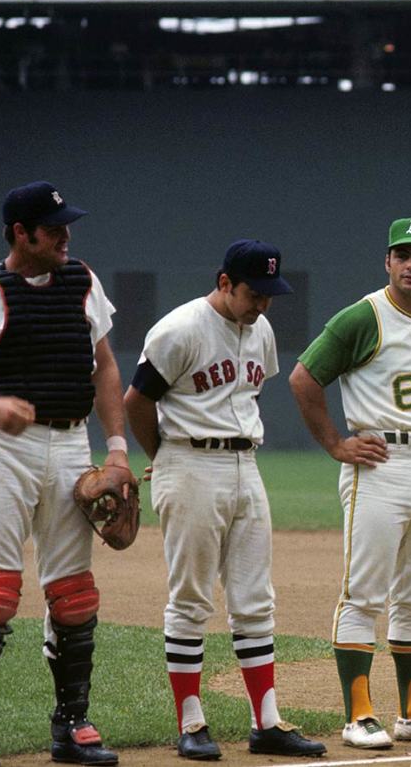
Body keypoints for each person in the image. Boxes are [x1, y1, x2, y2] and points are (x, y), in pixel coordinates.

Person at [124, 240, 326, 760]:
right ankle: (191, 723)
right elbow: (136, 400)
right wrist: (165, 458)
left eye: (269, 294)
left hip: (245, 466)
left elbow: (246, 396)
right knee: (191, 600)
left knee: (256, 600)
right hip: (189, 464)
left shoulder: (261, 329)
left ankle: (267, 722)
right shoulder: (181, 329)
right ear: (223, 283)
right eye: (252, 292)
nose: (261, 304)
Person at [289, 218, 411, 750]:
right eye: (401, 255)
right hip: (380, 461)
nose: (410, 264)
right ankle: (358, 715)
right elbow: (303, 377)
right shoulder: (362, 317)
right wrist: (336, 445)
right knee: (363, 593)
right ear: (387, 262)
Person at [0, 182, 139, 767]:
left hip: (72, 441)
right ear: (21, 234)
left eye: (65, 226)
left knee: (73, 592)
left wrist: (119, 448)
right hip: (3, 446)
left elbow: (104, 366)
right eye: (53, 229)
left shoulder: (82, 281)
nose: (65, 236)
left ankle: (71, 724)